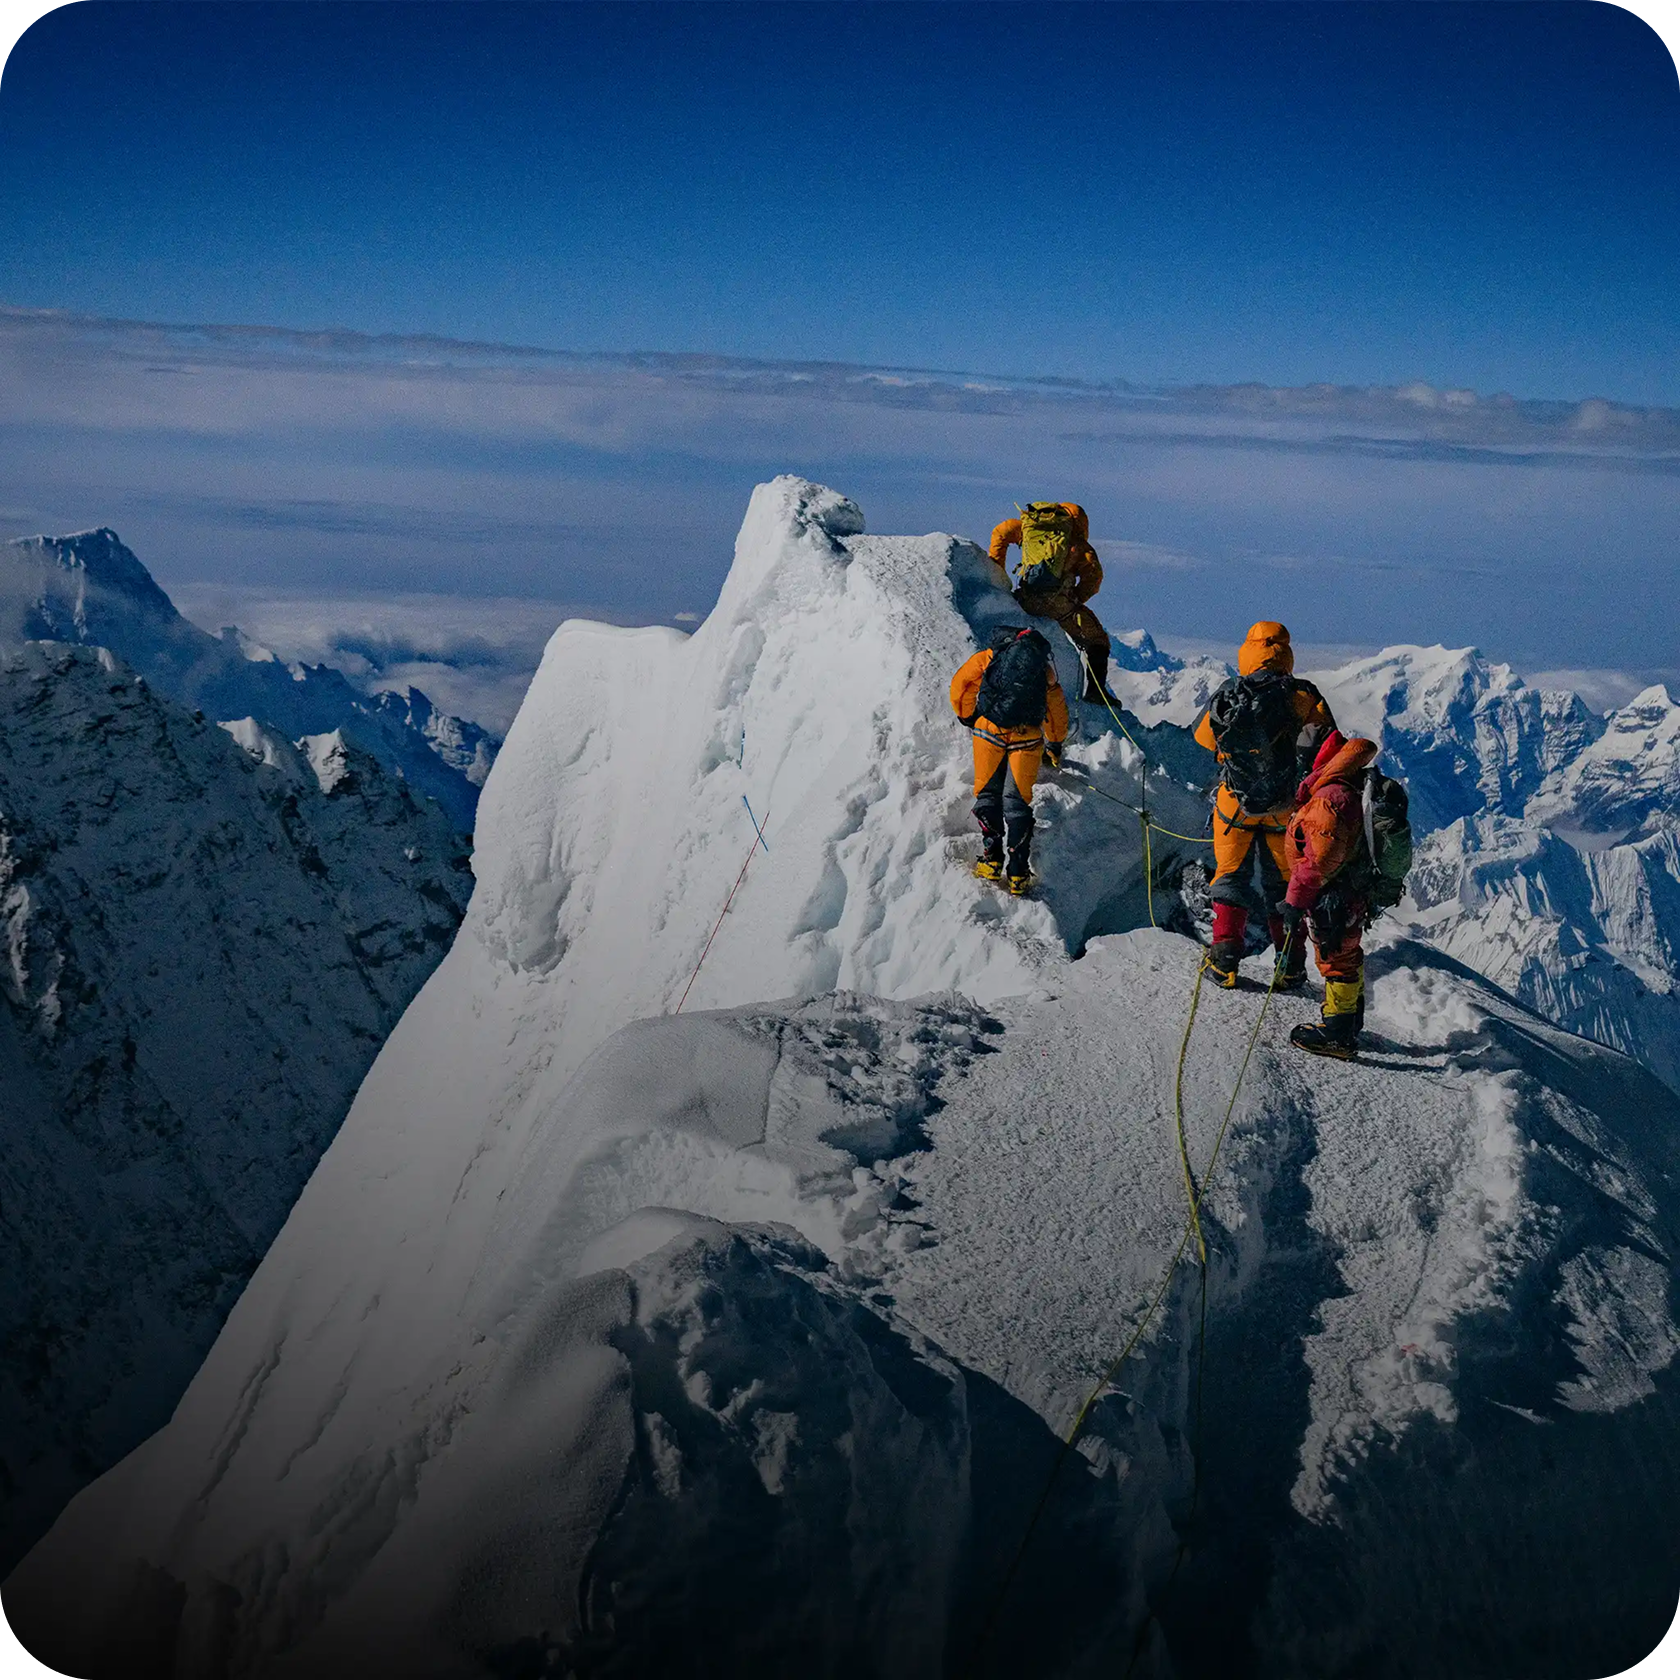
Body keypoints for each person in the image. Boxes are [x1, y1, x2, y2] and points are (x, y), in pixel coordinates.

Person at [1191, 621, 1337, 988]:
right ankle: (1289, 966)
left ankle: (1224, 961)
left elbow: (1203, 738)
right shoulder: (1304, 694)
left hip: (1234, 802)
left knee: (1230, 877)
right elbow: (1327, 748)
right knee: (1284, 886)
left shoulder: (1230, 691)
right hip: (1284, 805)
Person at [1281, 729, 1381, 1058]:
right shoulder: (1342, 788)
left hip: (1331, 895)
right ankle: (1348, 1021)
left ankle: (1337, 1032)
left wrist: (1294, 902)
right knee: (1346, 953)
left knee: (1335, 957)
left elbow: (1318, 860)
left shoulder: (1329, 798)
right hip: (1347, 888)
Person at [950, 624, 1069, 895]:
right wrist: (1054, 744)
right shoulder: (1045, 672)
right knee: (1016, 803)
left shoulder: (991, 656)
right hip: (1027, 737)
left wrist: (967, 714)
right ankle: (1018, 873)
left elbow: (961, 684)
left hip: (988, 730)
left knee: (988, 793)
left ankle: (991, 861)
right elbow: (1057, 712)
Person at [988, 503, 1113, 701]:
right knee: (1097, 640)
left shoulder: (1030, 529)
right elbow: (1093, 579)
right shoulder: (1078, 543)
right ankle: (1096, 693)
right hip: (1060, 606)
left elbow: (1000, 532)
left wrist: (997, 573)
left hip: (1025, 598)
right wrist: (1075, 599)